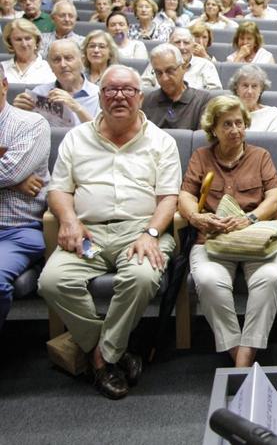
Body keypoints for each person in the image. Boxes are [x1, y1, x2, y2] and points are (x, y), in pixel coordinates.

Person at [38, 64, 180, 399]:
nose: (119, 96)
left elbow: (168, 199)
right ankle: (111, 350)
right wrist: (69, 220)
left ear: (140, 97)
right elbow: (58, 190)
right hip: (88, 232)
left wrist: (151, 234)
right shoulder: (76, 138)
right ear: (99, 96)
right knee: (52, 282)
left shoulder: (161, 142)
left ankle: (101, 358)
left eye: (127, 90)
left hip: (141, 230)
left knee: (143, 277)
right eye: (110, 90)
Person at [178, 95, 277, 366]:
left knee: (271, 277)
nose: (235, 130)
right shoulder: (201, 157)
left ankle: (244, 356)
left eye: (239, 123)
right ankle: (237, 350)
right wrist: (197, 218)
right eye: (227, 124)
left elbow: (274, 199)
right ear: (213, 129)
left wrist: (249, 219)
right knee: (207, 280)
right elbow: (185, 196)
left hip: (259, 236)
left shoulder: (260, 156)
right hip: (213, 238)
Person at [0, 64, 50, 332]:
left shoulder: (30, 123)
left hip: (17, 229)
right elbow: (9, 174)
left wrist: (14, 178)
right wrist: (15, 182)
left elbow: (9, 171)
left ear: (5, 84)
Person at [13, 39, 100, 125]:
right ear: (50, 66)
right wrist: (17, 112)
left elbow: (101, 135)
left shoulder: (98, 95)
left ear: (82, 60)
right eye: (57, 60)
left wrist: (77, 108)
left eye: (68, 58)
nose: (63, 65)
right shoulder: (40, 93)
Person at [141, 44, 211, 130]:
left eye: (170, 71)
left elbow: (201, 140)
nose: (164, 78)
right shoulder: (147, 101)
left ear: (183, 68)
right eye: (159, 72)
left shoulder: (202, 101)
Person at [142, 28, 221, 91]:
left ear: (193, 46)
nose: (182, 47)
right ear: (169, 45)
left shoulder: (206, 65)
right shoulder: (158, 63)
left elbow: (214, 94)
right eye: (177, 42)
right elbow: (143, 87)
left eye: (186, 43)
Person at [229, 65, 277, 132]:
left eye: (254, 86)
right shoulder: (227, 113)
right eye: (245, 85)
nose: (250, 91)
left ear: (261, 90)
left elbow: (275, 142)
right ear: (236, 89)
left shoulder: (273, 114)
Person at [1, 18, 55, 84]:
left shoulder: (50, 68)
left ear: (36, 40)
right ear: (10, 42)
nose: (24, 44)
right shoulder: (2, 68)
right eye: (18, 39)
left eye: (28, 38)